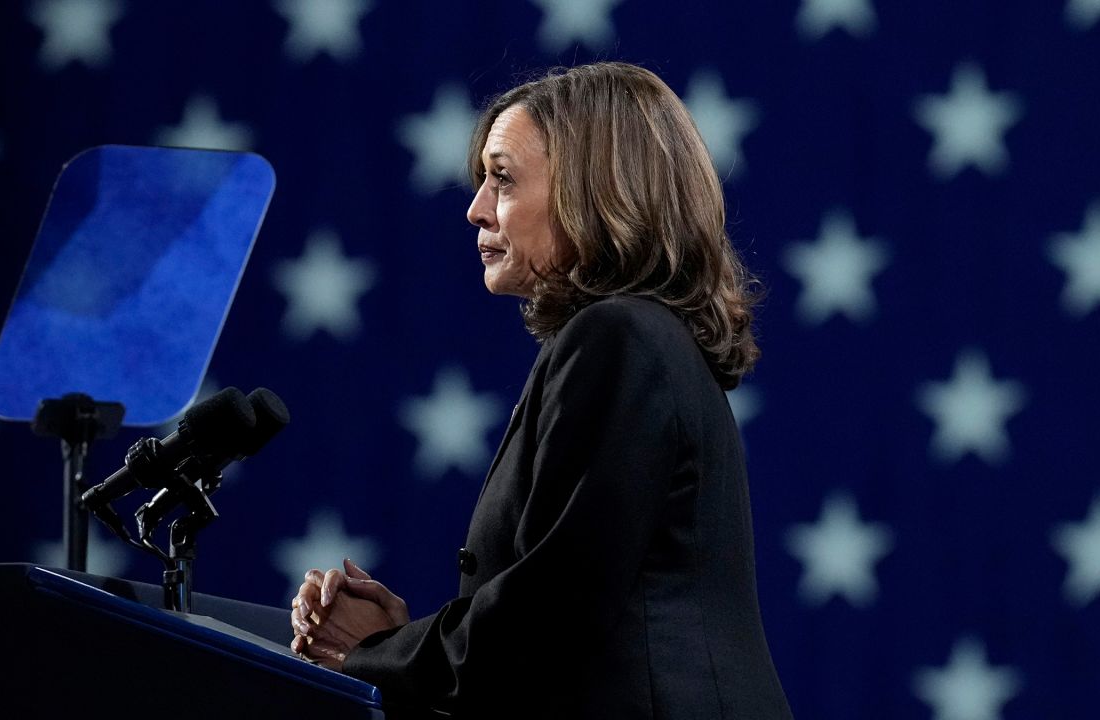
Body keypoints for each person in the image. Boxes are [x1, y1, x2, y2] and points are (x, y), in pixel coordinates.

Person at [290, 62, 793, 719]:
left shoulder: (620, 337)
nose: (475, 209)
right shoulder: (630, 337)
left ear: (593, 190)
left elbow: (549, 616)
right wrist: (401, 645)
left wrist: (376, 652)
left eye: (502, 178)